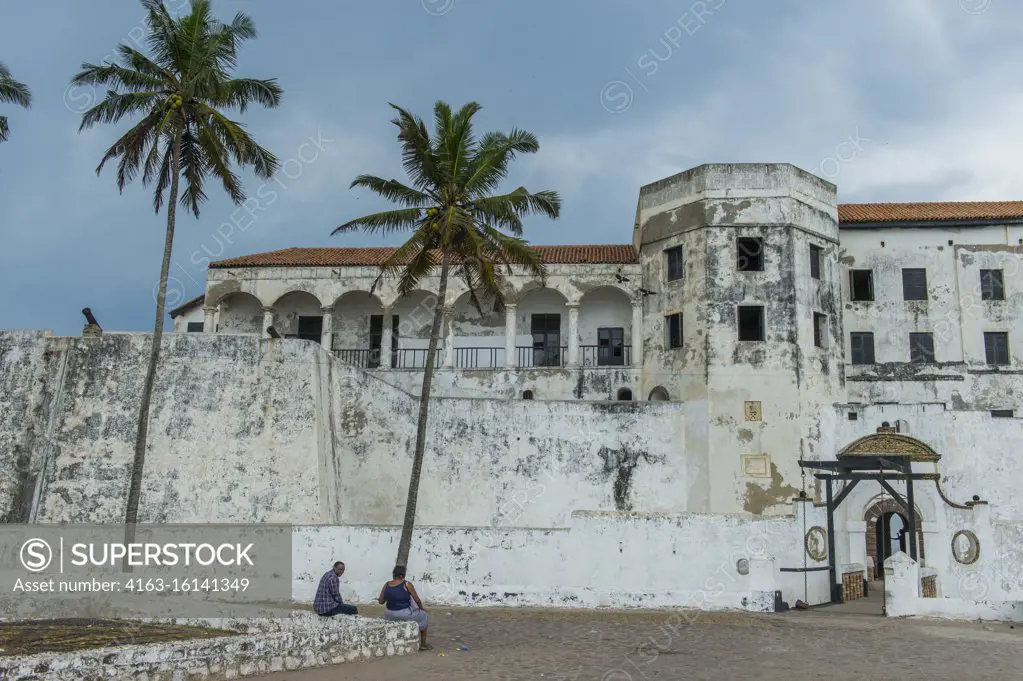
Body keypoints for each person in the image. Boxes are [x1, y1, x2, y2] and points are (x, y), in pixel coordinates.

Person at [378, 565, 431, 650]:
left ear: (394, 574)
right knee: (424, 615)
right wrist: (421, 608)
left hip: (388, 614)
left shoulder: (386, 584)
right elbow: (417, 600)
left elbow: (381, 602)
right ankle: (423, 644)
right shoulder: (407, 584)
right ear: (402, 575)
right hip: (403, 613)